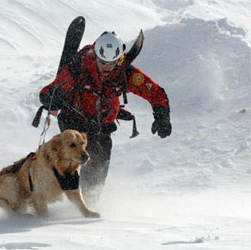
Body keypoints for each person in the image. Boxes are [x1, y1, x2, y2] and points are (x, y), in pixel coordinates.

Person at [39, 31, 171, 201]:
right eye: (102, 62)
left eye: (112, 63)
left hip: (102, 127)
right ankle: (46, 193)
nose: (107, 68)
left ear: (119, 60)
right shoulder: (79, 67)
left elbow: (155, 92)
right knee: (72, 155)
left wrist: (162, 116)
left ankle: (88, 204)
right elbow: (47, 91)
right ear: (95, 56)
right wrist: (50, 97)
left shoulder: (125, 73)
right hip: (74, 120)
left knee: (98, 167)